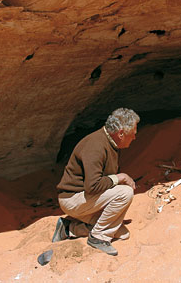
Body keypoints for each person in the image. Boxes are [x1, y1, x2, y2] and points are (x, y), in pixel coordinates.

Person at [52, 108, 140, 256]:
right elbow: (92, 186)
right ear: (121, 134)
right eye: (133, 133)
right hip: (72, 199)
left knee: (123, 234)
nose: (135, 137)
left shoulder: (112, 144)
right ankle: (98, 238)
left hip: (86, 198)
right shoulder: (96, 146)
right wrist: (121, 177)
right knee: (125, 192)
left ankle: (69, 229)